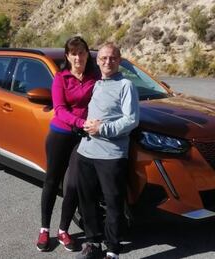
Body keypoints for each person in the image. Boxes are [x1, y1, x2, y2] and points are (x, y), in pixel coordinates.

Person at [75, 43, 140, 259]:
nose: (107, 62)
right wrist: (82, 123)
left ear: (119, 60)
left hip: (111, 155)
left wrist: (102, 128)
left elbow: (131, 120)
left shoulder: (126, 86)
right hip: (86, 151)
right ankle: (93, 243)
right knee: (87, 200)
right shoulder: (95, 84)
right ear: (97, 61)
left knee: (113, 204)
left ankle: (113, 248)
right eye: (103, 58)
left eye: (112, 58)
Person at [36, 36, 98, 252]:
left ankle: (63, 230)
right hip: (61, 134)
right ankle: (44, 230)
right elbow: (60, 109)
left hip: (83, 137)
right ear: (68, 56)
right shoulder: (61, 78)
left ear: (86, 55)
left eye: (81, 52)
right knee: (52, 181)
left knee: (72, 185)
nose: (78, 57)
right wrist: (82, 122)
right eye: (74, 53)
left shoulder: (94, 77)